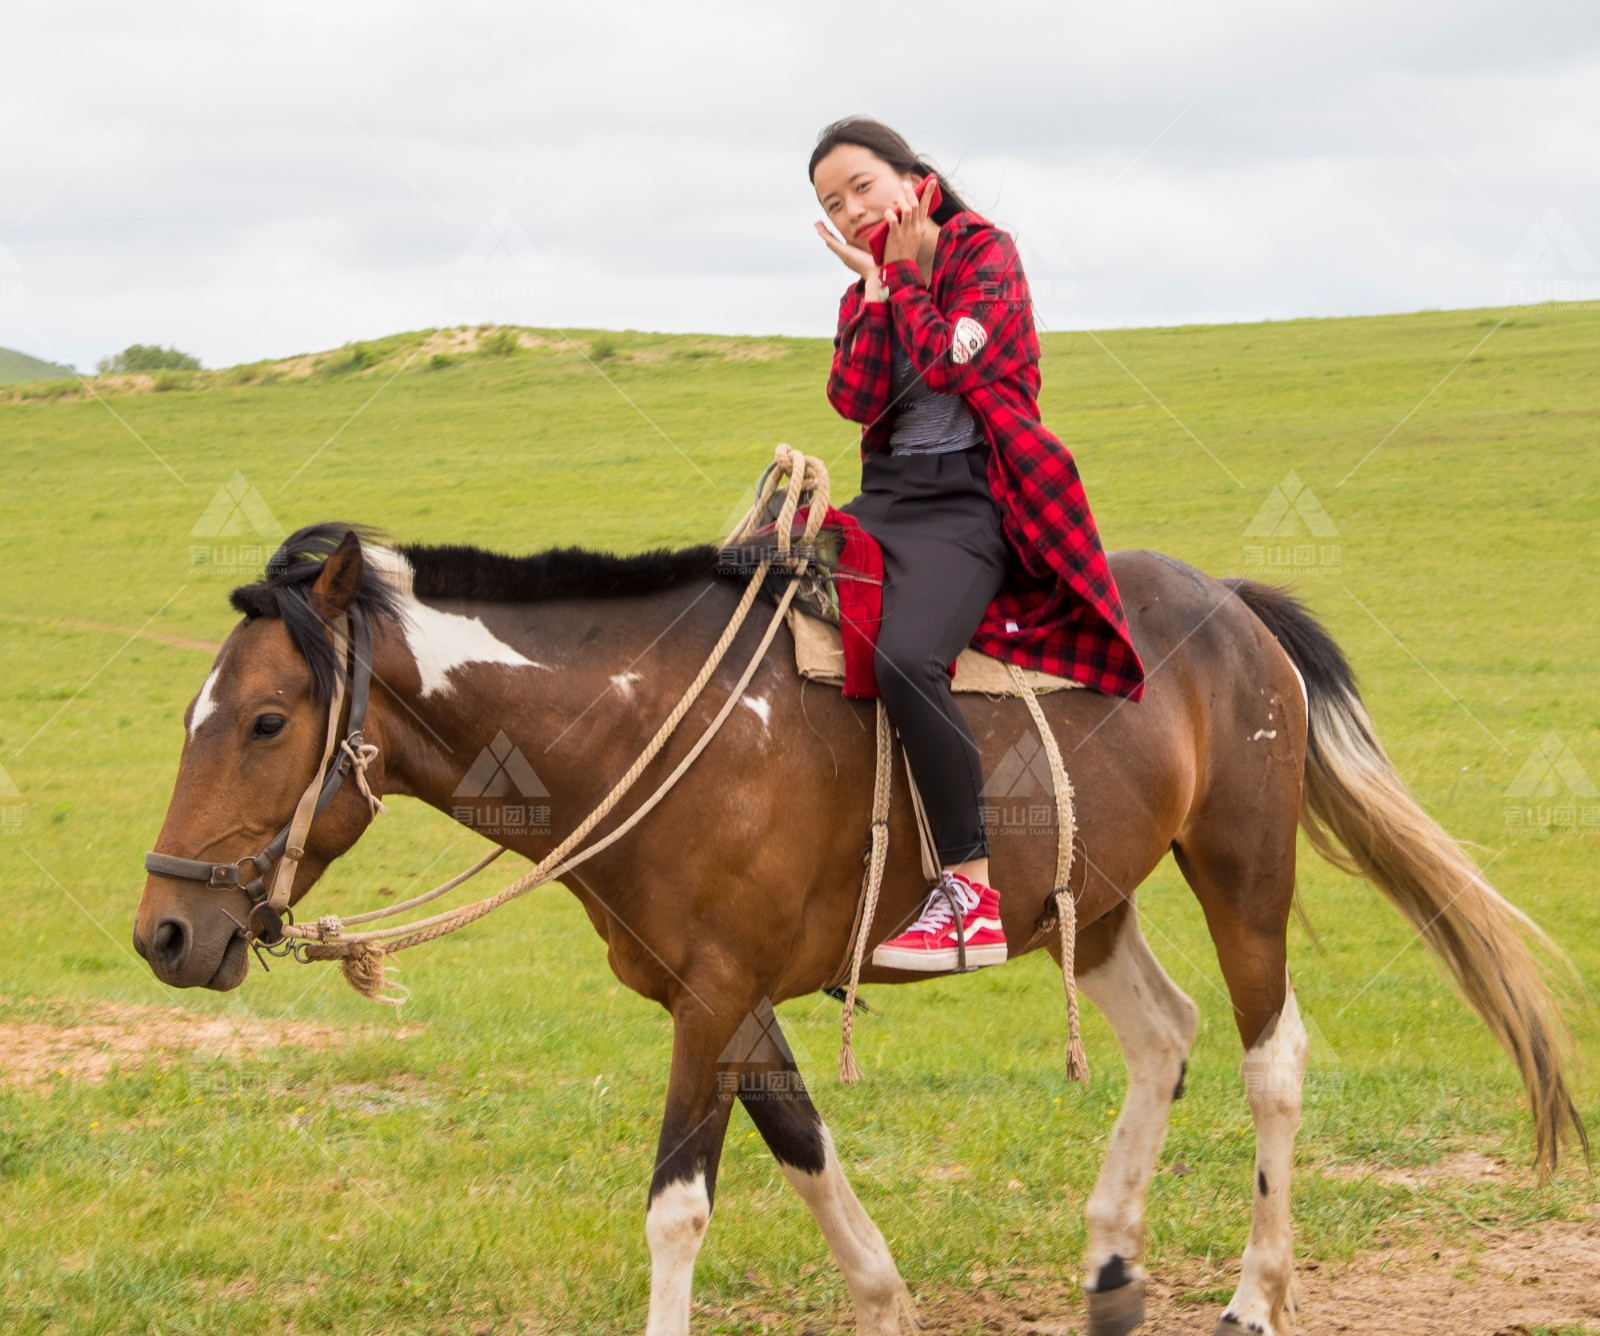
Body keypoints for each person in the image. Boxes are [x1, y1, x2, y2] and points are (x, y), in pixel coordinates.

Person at [810, 116, 1146, 973]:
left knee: (907, 660)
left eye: (860, 188)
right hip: (887, 501)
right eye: (830, 203)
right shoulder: (875, 284)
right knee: (752, 581)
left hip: (973, 503)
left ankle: (969, 892)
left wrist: (911, 283)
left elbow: (956, 368)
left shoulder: (986, 255)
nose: (850, 211)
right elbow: (852, 398)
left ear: (911, 176)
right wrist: (878, 294)